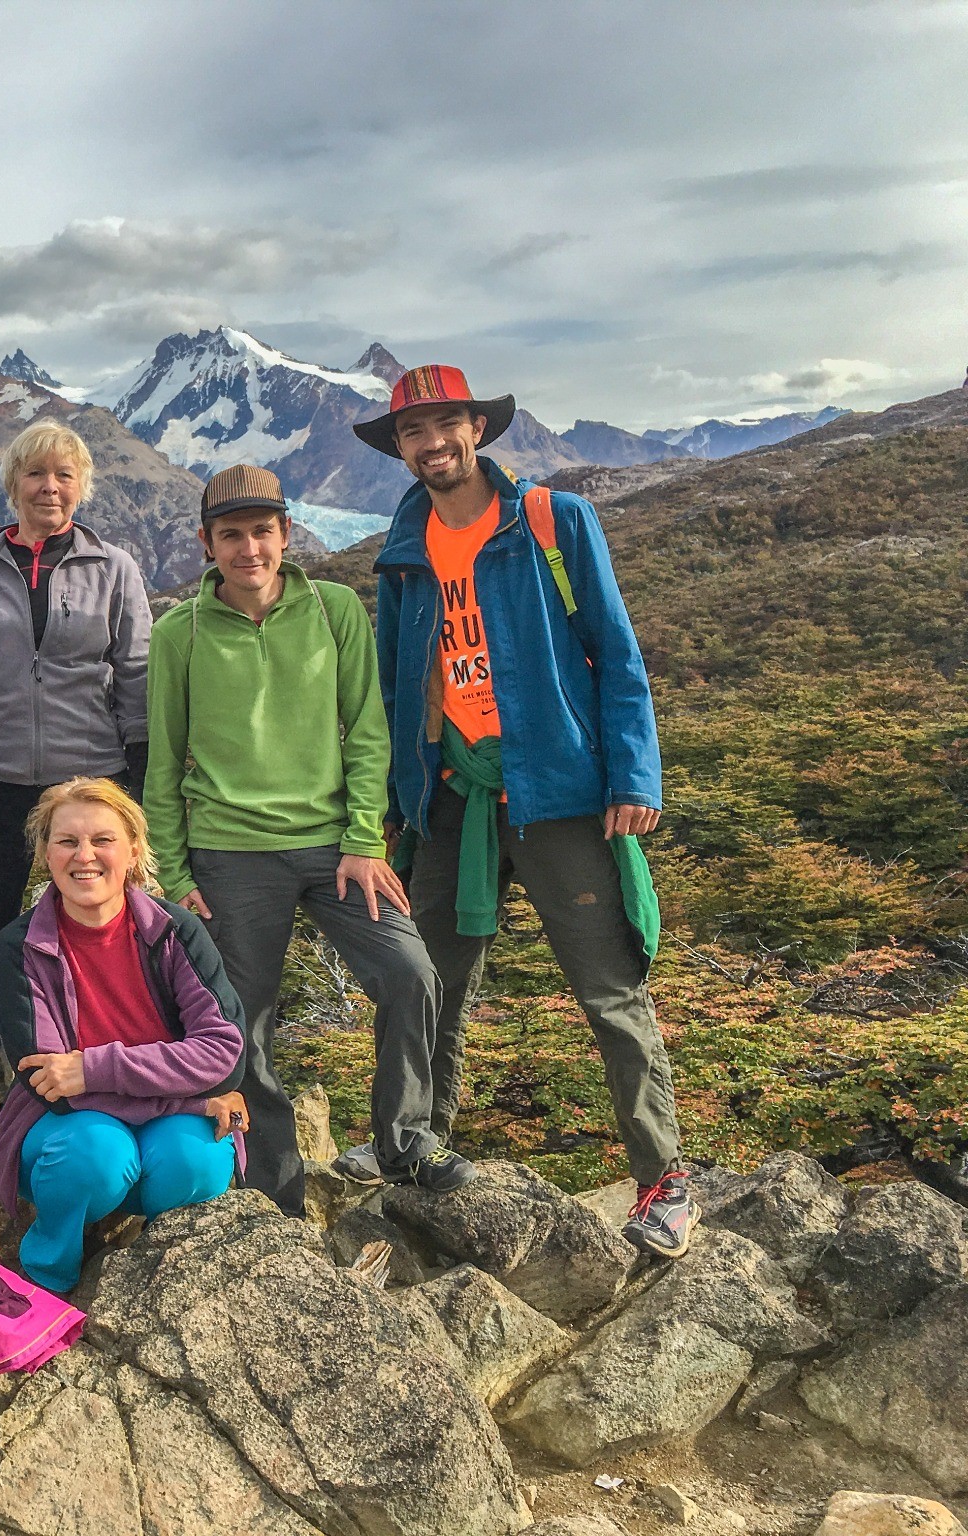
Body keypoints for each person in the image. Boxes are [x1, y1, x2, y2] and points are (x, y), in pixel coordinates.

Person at [356, 364, 694, 1258]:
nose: (431, 443)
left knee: (608, 989)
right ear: (401, 448)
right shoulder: (403, 548)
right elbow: (397, 684)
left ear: (478, 428)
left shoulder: (552, 520)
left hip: (558, 789)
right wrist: (396, 801)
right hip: (453, 795)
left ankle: (663, 1179)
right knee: (429, 981)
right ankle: (412, 1142)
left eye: (446, 424)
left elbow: (615, 652)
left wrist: (635, 777)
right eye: (413, 431)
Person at [144, 465, 477, 1218]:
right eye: (231, 535)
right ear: (206, 544)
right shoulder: (178, 633)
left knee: (411, 973)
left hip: (337, 847)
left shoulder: (334, 609)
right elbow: (162, 762)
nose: (249, 549)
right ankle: (275, 1188)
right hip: (229, 851)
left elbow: (368, 731)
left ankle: (404, 1142)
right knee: (241, 1020)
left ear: (287, 534)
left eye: (263, 532)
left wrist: (364, 839)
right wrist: (175, 872)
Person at [0, 420, 152, 1133]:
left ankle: (94, 1051)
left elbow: (135, 673)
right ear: (13, 484)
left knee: (93, 921)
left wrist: (137, 774)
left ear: (81, 486)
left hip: (87, 779)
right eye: (35, 473)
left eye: (63, 475)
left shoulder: (113, 567)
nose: (49, 487)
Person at [0, 777, 249, 1293]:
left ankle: (158, 1282)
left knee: (196, 1160)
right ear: (46, 854)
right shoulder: (18, 946)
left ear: (133, 851)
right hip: (68, 1131)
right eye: (67, 841)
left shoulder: (175, 931)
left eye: (102, 840)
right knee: (96, 1154)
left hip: (148, 1132)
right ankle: (47, 1277)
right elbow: (50, 1086)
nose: (84, 855)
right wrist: (194, 1099)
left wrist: (91, 1069)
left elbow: (224, 1052)